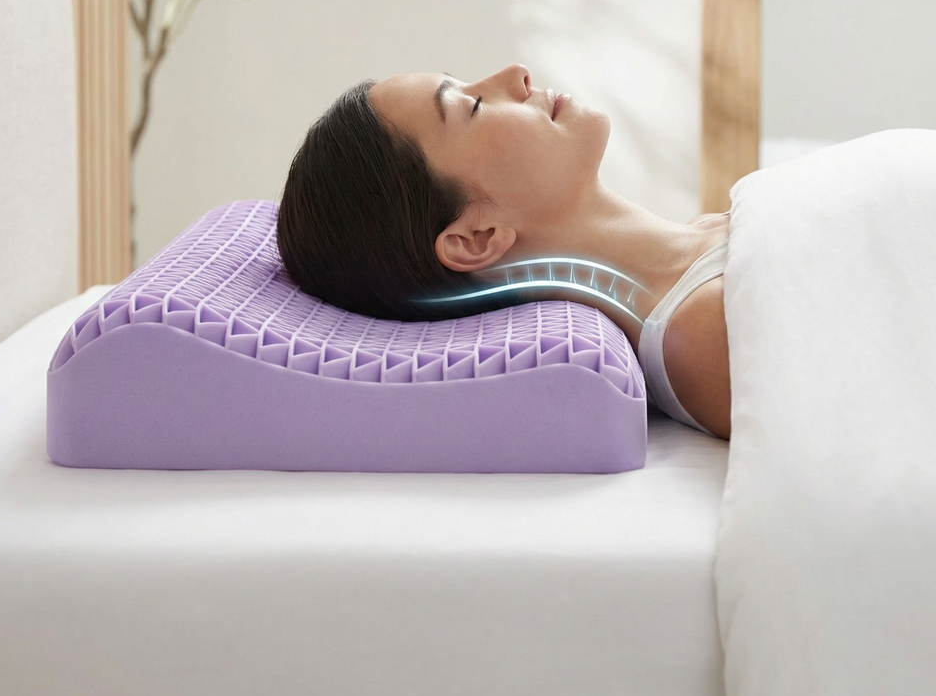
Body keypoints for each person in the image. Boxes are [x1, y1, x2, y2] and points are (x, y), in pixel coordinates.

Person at [278, 64, 731, 439]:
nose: (516, 74)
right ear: (476, 238)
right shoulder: (705, 330)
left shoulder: (712, 238)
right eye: (473, 107)